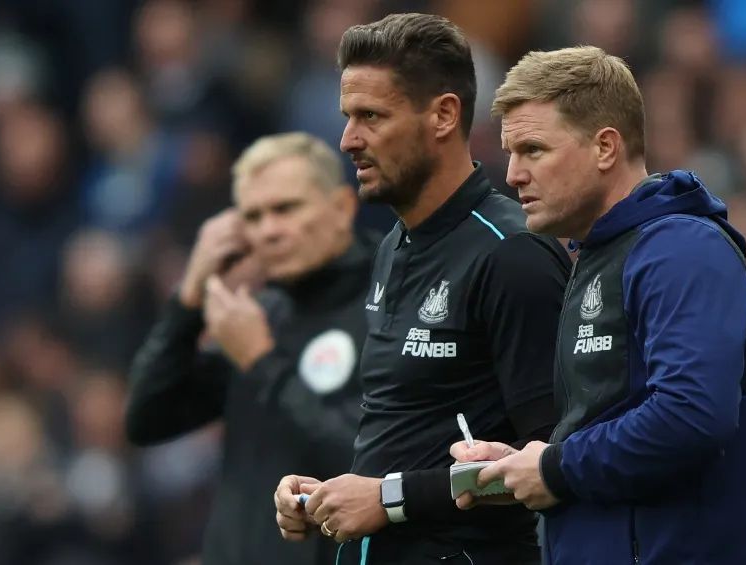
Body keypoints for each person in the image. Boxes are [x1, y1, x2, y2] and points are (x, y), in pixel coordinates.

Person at [451, 46, 746, 565]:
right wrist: (522, 467)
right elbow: (608, 439)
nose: (512, 174)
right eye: (511, 152)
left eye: (533, 150)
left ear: (605, 147)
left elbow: (692, 415)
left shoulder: (681, 250)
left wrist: (556, 468)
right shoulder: (598, 257)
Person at [273, 13, 571, 565]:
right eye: (347, 117)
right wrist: (329, 494)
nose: (347, 140)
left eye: (371, 117)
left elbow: (553, 464)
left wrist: (389, 500)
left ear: (443, 114)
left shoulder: (511, 253)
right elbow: (410, 433)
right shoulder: (392, 246)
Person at [125, 132, 378, 565]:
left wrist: (261, 362)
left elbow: (365, 458)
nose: (268, 231)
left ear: (342, 208)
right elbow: (147, 417)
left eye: (286, 209)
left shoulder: (385, 301)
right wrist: (189, 297)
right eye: (253, 217)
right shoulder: (264, 314)